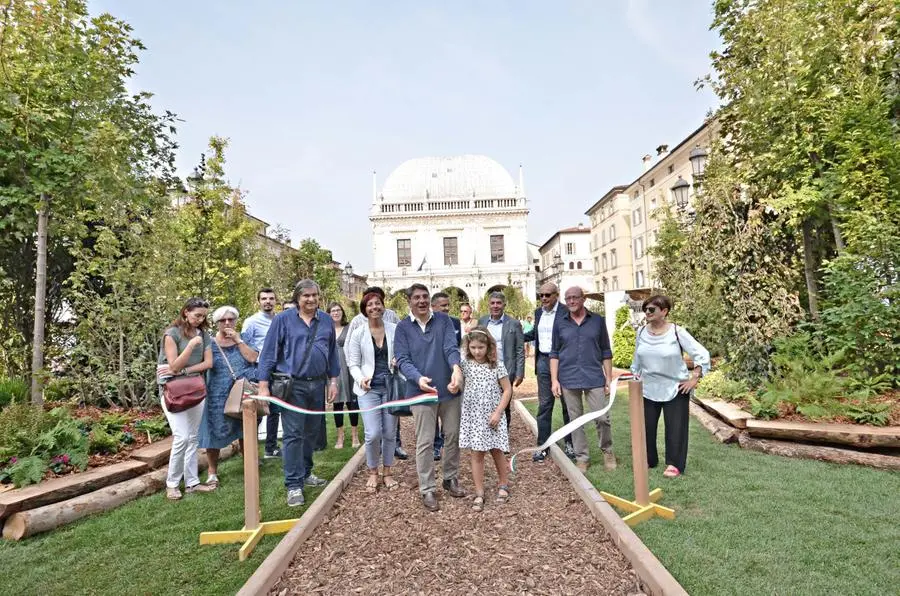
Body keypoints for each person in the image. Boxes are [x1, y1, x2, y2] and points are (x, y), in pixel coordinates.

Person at [256, 280, 340, 507]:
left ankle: (305, 472)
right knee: (293, 434)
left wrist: (333, 381)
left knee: (312, 432)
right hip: (293, 386)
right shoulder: (283, 320)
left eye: (314, 295)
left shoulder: (325, 321)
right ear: (297, 298)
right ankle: (293, 485)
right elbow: (268, 353)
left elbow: (332, 353)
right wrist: (263, 384)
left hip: (317, 385)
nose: (311, 300)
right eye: (306, 296)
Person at [394, 283, 465, 512]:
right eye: (417, 297)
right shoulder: (403, 328)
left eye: (425, 296)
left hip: (448, 389)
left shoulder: (443, 321)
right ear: (410, 301)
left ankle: (450, 477)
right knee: (425, 441)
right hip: (420, 392)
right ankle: (427, 488)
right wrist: (417, 378)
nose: (422, 301)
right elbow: (402, 359)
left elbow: (450, 347)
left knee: (452, 434)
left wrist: (456, 368)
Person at [631, 295, 710, 478]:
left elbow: (701, 354)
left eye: (651, 310)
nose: (647, 313)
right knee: (646, 427)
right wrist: (636, 375)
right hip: (648, 387)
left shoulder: (676, 331)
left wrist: (694, 378)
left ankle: (674, 463)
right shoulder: (641, 332)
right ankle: (648, 459)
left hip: (675, 387)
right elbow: (637, 358)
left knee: (676, 428)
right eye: (645, 310)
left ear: (664, 311)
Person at [550, 286, 617, 473]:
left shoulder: (597, 321)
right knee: (575, 420)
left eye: (575, 298)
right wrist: (554, 380)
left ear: (583, 299)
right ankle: (582, 457)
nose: (571, 301)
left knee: (602, 417)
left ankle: (608, 451)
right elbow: (554, 353)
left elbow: (605, 350)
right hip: (568, 378)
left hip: (594, 376)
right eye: (568, 298)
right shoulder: (560, 323)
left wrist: (608, 378)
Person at [158, 297, 216, 500]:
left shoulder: (204, 335)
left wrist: (185, 371)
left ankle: (192, 482)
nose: (200, 319)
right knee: (181, 437)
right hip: (173, 392)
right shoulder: (172, 334)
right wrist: (191, 346)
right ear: (186, 312)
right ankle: (172, 484)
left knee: (193, 437)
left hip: (195, 389)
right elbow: (172, 366)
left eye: (203, 316)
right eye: (197, 315)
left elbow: (208, 363)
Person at [345, 292, 400, 492]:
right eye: (370, 305)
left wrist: (398, 361)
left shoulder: (395, 329)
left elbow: (404, 353)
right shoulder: (358, 332)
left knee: (389, 432)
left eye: (378, 304)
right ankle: (372, 472)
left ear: (383, 307)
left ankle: (387, 472)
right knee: (372, 433)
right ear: (364, 309)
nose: (375, 307)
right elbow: (352, 363)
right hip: (368, 390)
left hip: (390, 389)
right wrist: (361, 379)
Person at [201, 305, 259, 488]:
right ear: (216, 323)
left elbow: (252, 358)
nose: (227, 323)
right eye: (222, 320)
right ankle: (212, 473)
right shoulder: (209, 343)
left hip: (243, 390)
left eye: (230, 319)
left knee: (246, 428)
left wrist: (238, 340)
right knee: (214, 432)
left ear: (236, 320)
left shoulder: (245, 337)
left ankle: (249, 465)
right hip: (217, 394)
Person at [459, 327, 513, 512]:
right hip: (474, 417)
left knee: (496, 450)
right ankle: (479, 492)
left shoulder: (496, 365)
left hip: (493, 416)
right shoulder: (465, 364)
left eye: (481, 347)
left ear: (488, 346)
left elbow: (507, 390)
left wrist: (498, 412)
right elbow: (458, 381)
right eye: (473, 347)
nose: (477, 351)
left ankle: (503, 484)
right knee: (476, 453)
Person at [523, 283, 575, 462]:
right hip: (544, 362)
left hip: (564, 362)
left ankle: (571, 444)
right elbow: (533, 334)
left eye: (547, 295)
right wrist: (515, 335)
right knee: (545, 405)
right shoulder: (539, 313)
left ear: (556, 295)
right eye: (540, 295)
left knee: (568, 406)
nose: (543, 298)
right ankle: (543, 445)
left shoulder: (566, 311)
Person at [242, 288, 282, 459]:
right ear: (258, 301)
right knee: (257, 411)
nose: (268, 301)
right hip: (258, 370)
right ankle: (251, 453)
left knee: (275, 410)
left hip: (279, 370)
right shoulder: (251, 322)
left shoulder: (280, 320)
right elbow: (244, 347)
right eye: (264, 298)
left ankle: (270, 448)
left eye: (271, 298)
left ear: (275, 301)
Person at [478, 291, 524, 427]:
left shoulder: (514, 323)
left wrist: (520, 373)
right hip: (485, 369)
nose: (495, 306)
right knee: (485, 402)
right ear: (488, 305)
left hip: (505, 370)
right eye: (492, 303)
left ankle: (504, 436)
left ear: (504, 304)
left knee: (505, 404)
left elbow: (520, 350)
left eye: (498, 303)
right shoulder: (482, 321)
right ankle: (487, 432)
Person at [430, 292, 462, 461]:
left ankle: (447, 445)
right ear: (433, 306)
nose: (447, 308)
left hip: (451, 374)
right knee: (433, 412)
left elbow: (457, 347)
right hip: (431, 376)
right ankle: (436, 446)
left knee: (450, 415)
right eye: (443, 305)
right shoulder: (427, 324)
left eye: (448, 305)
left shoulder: (455, 322)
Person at [327, 302, 360, 450]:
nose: (335, 313)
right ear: (328, 314)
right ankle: (340, 436)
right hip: (333, 370)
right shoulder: (326, 330)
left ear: (342, 312)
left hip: (348, 368)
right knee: (337, 403)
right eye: (333, 311)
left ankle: (355, 435)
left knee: (352, 403)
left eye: (338, 310)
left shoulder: (349, 328)